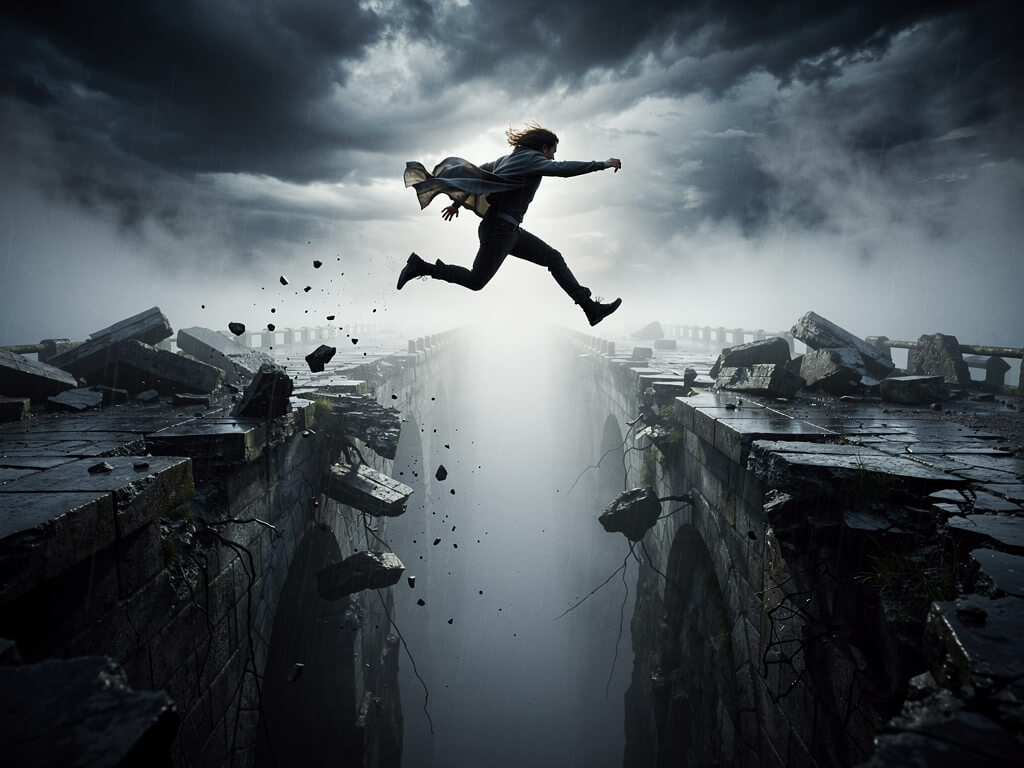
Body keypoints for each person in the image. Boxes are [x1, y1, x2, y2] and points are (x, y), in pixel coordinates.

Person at [399, 123, 623, 326]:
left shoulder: (506, 160)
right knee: (476, 281)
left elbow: (477, 177)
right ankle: (421, 266)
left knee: (553, 258)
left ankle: (590, 308)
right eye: (553, 152)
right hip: (500, 231)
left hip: (508, 230)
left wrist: (457, 203)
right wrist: (601, 164)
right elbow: (562, 169)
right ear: (544, 148)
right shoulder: (532, 159)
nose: (553, 158)